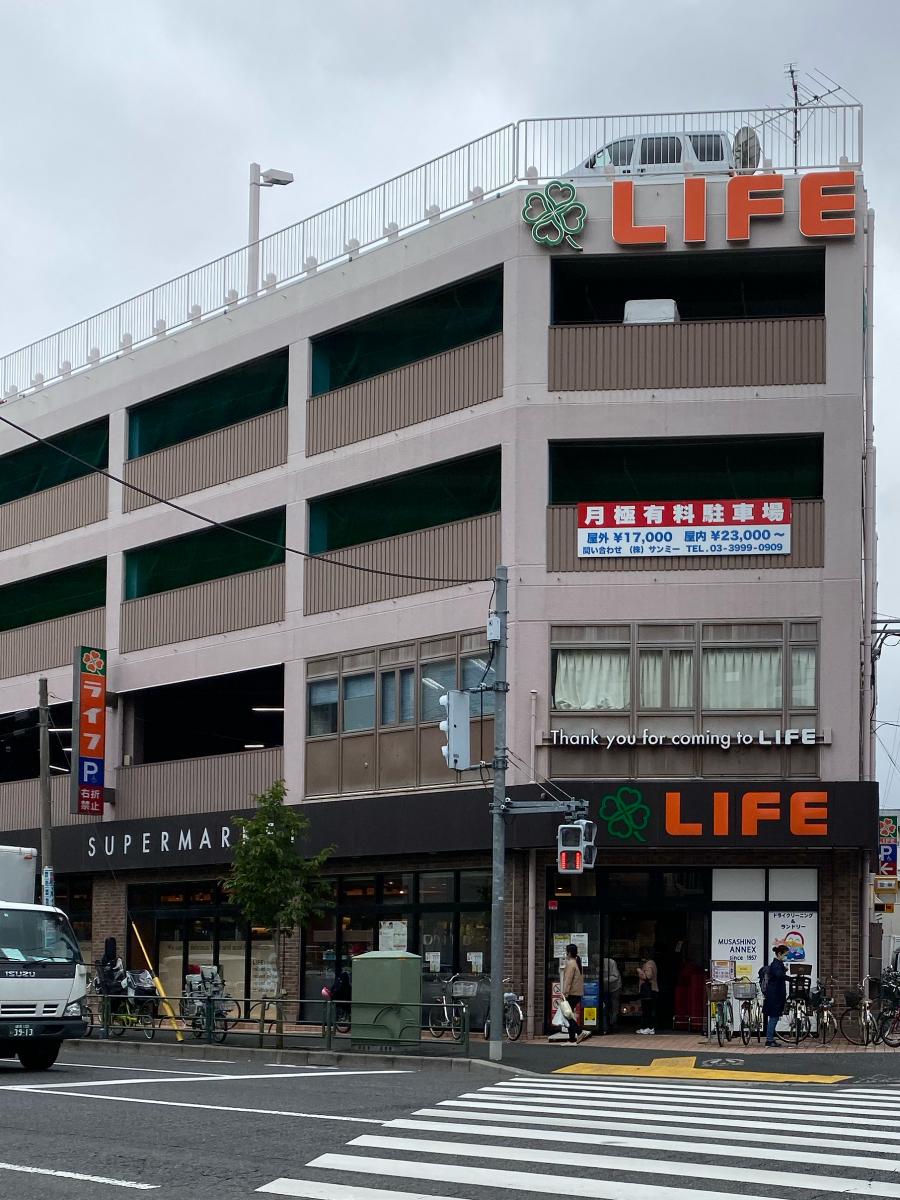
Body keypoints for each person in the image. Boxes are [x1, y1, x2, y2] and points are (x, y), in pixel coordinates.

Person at [763, 942, 789, 1046]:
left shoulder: (778, 964)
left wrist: (784, 969)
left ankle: (770, 1038)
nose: (786, 957)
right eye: (785, 955)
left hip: (775, 995)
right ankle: (769, 1040)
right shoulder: (776, 965)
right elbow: (779, 975)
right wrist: (790, 978)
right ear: (779, 954)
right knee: (773, 1018)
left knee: (774, 1018)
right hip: (775, 996)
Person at [561, 943, 587, 1043]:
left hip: (571, 993)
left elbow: (568, 980)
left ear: (569, 953)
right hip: (578, 993)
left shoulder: (571, 964)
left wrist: (564, 993)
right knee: (569, 1014)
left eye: (566, 952)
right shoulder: (577, 962)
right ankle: (572, 1038)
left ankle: (579, 1032)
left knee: (567, 1015)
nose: (566, 954)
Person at [636, 949, 659, 1035]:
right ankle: (648, 1027)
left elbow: (648, 976)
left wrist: (639, 971)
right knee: (649, 1010)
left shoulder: (648, 964)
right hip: (652, 990)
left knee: (646, 1010)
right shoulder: (652, 963)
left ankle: (648, 1027)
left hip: (648, 990)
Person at [603, 956, 622, 1031]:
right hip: (605, 988)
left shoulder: (611, 962)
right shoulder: (595, 962)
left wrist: (603, 979)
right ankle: (607, 1024)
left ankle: (614, 1023)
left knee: (614, 1006)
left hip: (615, 987)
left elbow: (615, 976)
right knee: (606, 1006)